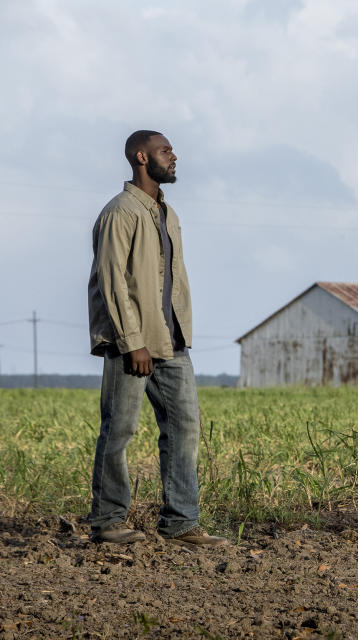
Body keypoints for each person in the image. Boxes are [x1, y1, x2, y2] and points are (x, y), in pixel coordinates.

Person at [86, 130, 226, 545]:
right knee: (120, 430)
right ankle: (108, 522)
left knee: (185, 427)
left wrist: (178, 333)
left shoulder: (168, 213)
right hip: (132, 345)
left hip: (171, 343)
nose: (174, 156)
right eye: (166, 151)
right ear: (141, 157)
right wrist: (133, 342)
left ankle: (181, 524)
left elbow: (171, 282)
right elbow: (112, 283)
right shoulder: (121, 212)